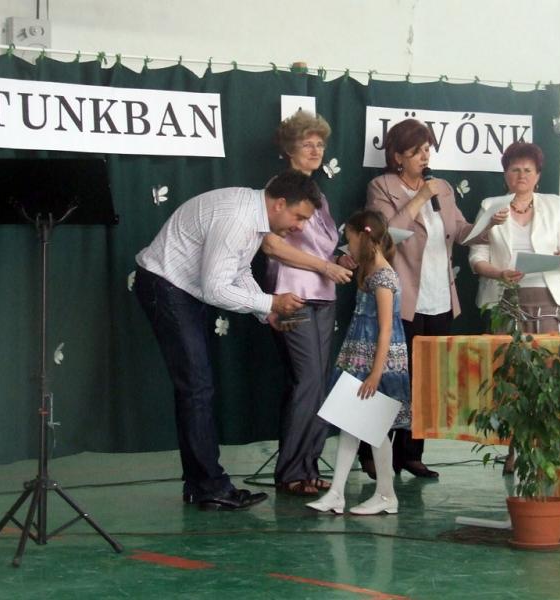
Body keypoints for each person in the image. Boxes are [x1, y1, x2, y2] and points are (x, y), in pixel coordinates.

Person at [134, 170, 321, 511]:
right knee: (197, 388)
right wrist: (271, 303)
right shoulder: (238, 219)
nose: (300, 227)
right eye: (299, 217)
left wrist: (266, 313)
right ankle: (210, 488)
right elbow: (216, 289)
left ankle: (201, 486)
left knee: (197, 389)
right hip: (167, 285)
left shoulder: (254, 215)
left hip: (181, 288)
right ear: (280, 204)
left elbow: (238, 271)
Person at [364, 118, 493, 480]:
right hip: (402, 296)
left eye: (427, 150)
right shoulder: (381, 186)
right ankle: (371, 451)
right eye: (416, 151)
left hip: (440, 296)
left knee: (426, 379)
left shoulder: (443, 188)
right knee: (392, 377)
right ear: (397, 156)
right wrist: (420, 198)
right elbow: (384, 235)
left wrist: (489, 227)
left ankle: (411, 453)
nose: (425, 157)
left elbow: (461, 231)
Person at [468, 141, 560, 472]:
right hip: (506, 297)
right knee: (512, 375)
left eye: (527, 170)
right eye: (515, 169)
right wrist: (499, 273)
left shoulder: (554, 206)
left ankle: (549, 447)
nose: (521, 175)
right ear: (505, 174)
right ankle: (514, 448)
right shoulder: (491, 206)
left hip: (548, 297)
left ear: (538, 175)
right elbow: (476, 256)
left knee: (550, 373)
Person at [260, 111, 355, 496]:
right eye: (307, 144)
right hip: (292, 294)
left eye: (320, 144)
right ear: (289, 149)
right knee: (308, 380)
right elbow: (272, 245)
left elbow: (321, 247)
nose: (316, 150)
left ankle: (308, 466)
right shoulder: (278, 189)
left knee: (318, 383)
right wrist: (325, 266)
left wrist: (340, 260)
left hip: (323, 294)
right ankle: (291, 472)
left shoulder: (319, 194)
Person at [306, 210, 409, 515]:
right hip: (359, 355)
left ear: (364, 237)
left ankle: (387, 495)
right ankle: (337, 493)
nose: (347, 246)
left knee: (373, 427)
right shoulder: (369, 271)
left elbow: (386, 328)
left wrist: (376, 373)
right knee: (351, 423)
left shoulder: (384, 277)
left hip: (377, 361)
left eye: (349, 239)